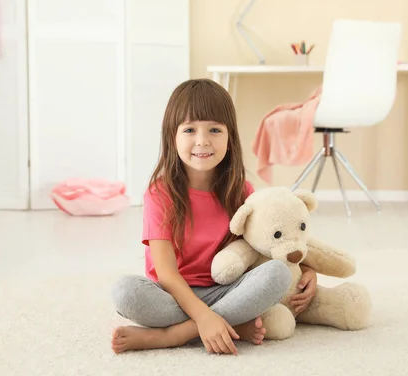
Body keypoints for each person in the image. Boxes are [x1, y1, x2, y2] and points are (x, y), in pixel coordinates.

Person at [110, 79, 318, 355]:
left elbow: (273, 239)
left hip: (226, 290)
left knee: (278, 273)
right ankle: (229, 324)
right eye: (189, 130)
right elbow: (167, 274)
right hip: (173, 294)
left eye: (214, 130)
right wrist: (205, 317)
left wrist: (308, 270)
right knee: (125, 292)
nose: (202, 141)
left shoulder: (242, 191)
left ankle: (174, 335)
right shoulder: (159, 194)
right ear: (172, 137)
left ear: (230, 137)